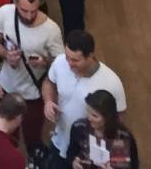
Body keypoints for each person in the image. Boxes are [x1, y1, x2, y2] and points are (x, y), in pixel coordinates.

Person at [0, 0, 64, 156]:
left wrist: (45, 62)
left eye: (34, 11)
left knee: (33, 137)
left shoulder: (51, 30)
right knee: (6, 138)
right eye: (24, 11)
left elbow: (61, 65)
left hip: (33, 94)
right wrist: (5, 54)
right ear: (15, 2)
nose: (29, 16)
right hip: (7, 88)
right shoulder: (4, 14)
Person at [44, 29, 127, 161]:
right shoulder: (60, 62)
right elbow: (49, 83)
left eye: (75, 60)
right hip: (59, 140)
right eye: (67, 57)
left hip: (86, 149)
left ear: (90, 55)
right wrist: (49, 101)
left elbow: (119, 118)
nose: (69, 64)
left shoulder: (111, 82)